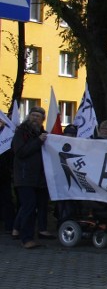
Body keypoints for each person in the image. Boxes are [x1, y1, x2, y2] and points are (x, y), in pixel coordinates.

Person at [12, 107, 49, 249]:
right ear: (28, 117)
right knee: (28, 207)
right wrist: (38, 141)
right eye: (33, 115)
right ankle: (26, 239)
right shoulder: (21, 132)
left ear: (42, 120)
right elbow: (20, 152)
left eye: (38, 116)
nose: (35, 118)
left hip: (38, 179)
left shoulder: (43, 134)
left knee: (34, 207)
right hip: (24, 177)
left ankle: (26, 234)